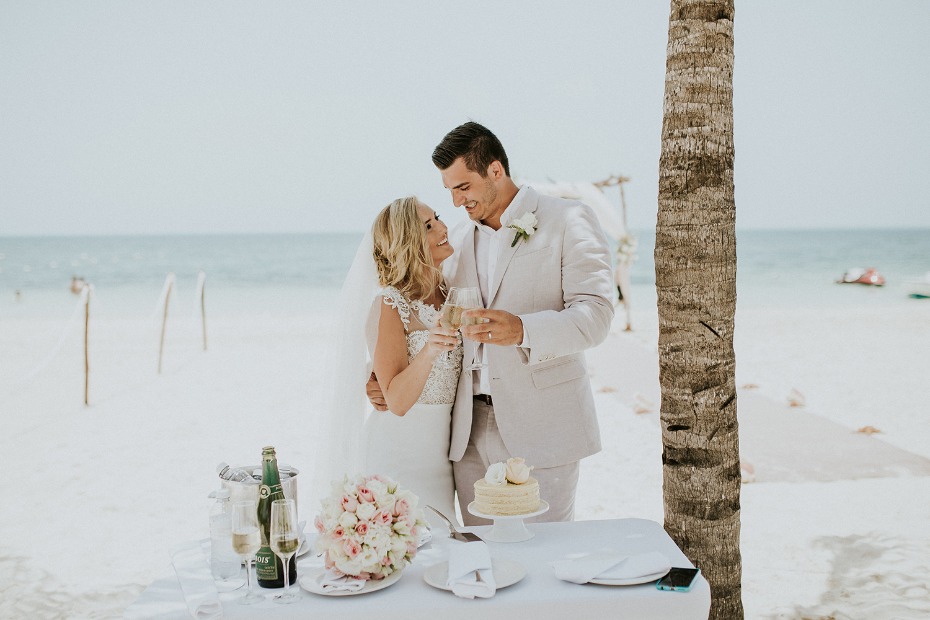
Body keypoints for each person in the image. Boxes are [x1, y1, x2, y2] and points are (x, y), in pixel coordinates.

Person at [369, 122, 614, 525]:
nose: (455, 199)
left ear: (495, 171)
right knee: (482, 560)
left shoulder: (568, 219)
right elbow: (421, 314)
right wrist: (378, 376)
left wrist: (523, 330)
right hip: (466, 433)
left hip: (544, 426)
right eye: (449, 189)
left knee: (543, 556)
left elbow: (596, 315)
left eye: (463, 186)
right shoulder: (460, 241)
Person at [349, 196, 462, 529]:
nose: (443, 228)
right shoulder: (389, 303)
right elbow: (396, 401)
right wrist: (430, 349)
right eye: (428, 227)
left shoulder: (451, 291)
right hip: (398, 452)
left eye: (438, 218)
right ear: (409, 243)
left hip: (441, 456)